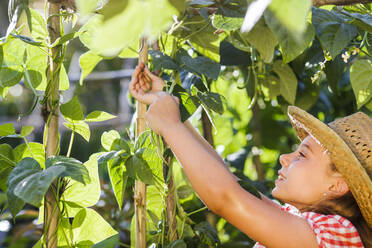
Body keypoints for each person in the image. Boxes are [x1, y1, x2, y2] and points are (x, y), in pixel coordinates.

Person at [129, 63, 372, 248]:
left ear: (338, 185)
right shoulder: (303, 222)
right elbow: (233, 185)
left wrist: (171, 126)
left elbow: (227, 198)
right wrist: (170, 106)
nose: (284, 158)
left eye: (302, 155)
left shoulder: (338, 236)